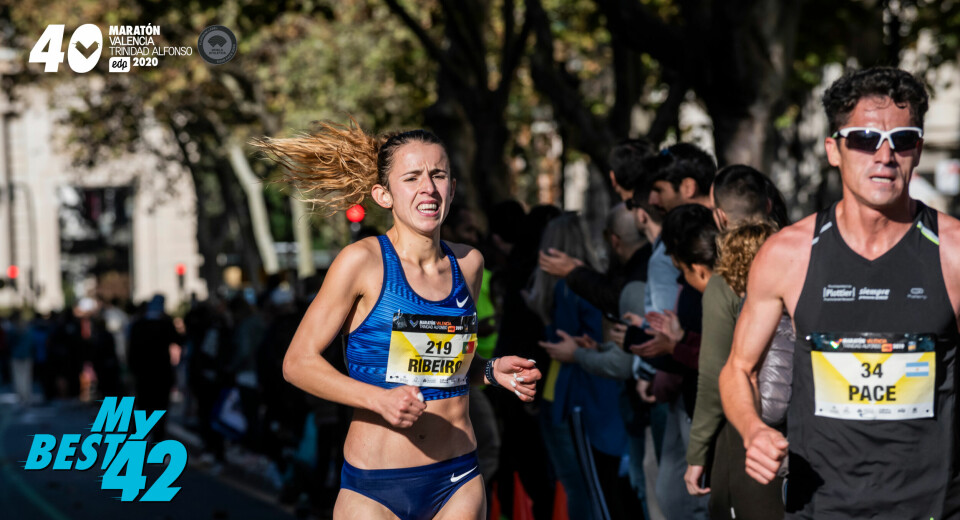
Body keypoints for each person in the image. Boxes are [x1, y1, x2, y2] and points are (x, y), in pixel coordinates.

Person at [254, 122, 541, 520]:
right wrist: (378, 399)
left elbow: (444, 368)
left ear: (452, 189)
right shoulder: (362, 262)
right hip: (377, 488)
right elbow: (297, 363)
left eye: (438, 175)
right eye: (412, 177)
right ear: (383, 195)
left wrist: (491, 371)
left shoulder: (469, 264)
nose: (428, 187)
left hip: (457, 477)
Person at [720, 66, 960, 519]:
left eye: (902, 139)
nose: (885, 155)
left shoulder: (953, 254)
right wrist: (753, 430)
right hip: (822, 507)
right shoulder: (788, 254)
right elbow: (739, 369)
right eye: (865, 139)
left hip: (932, 507)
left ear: (918, 150)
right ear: (834, 149)